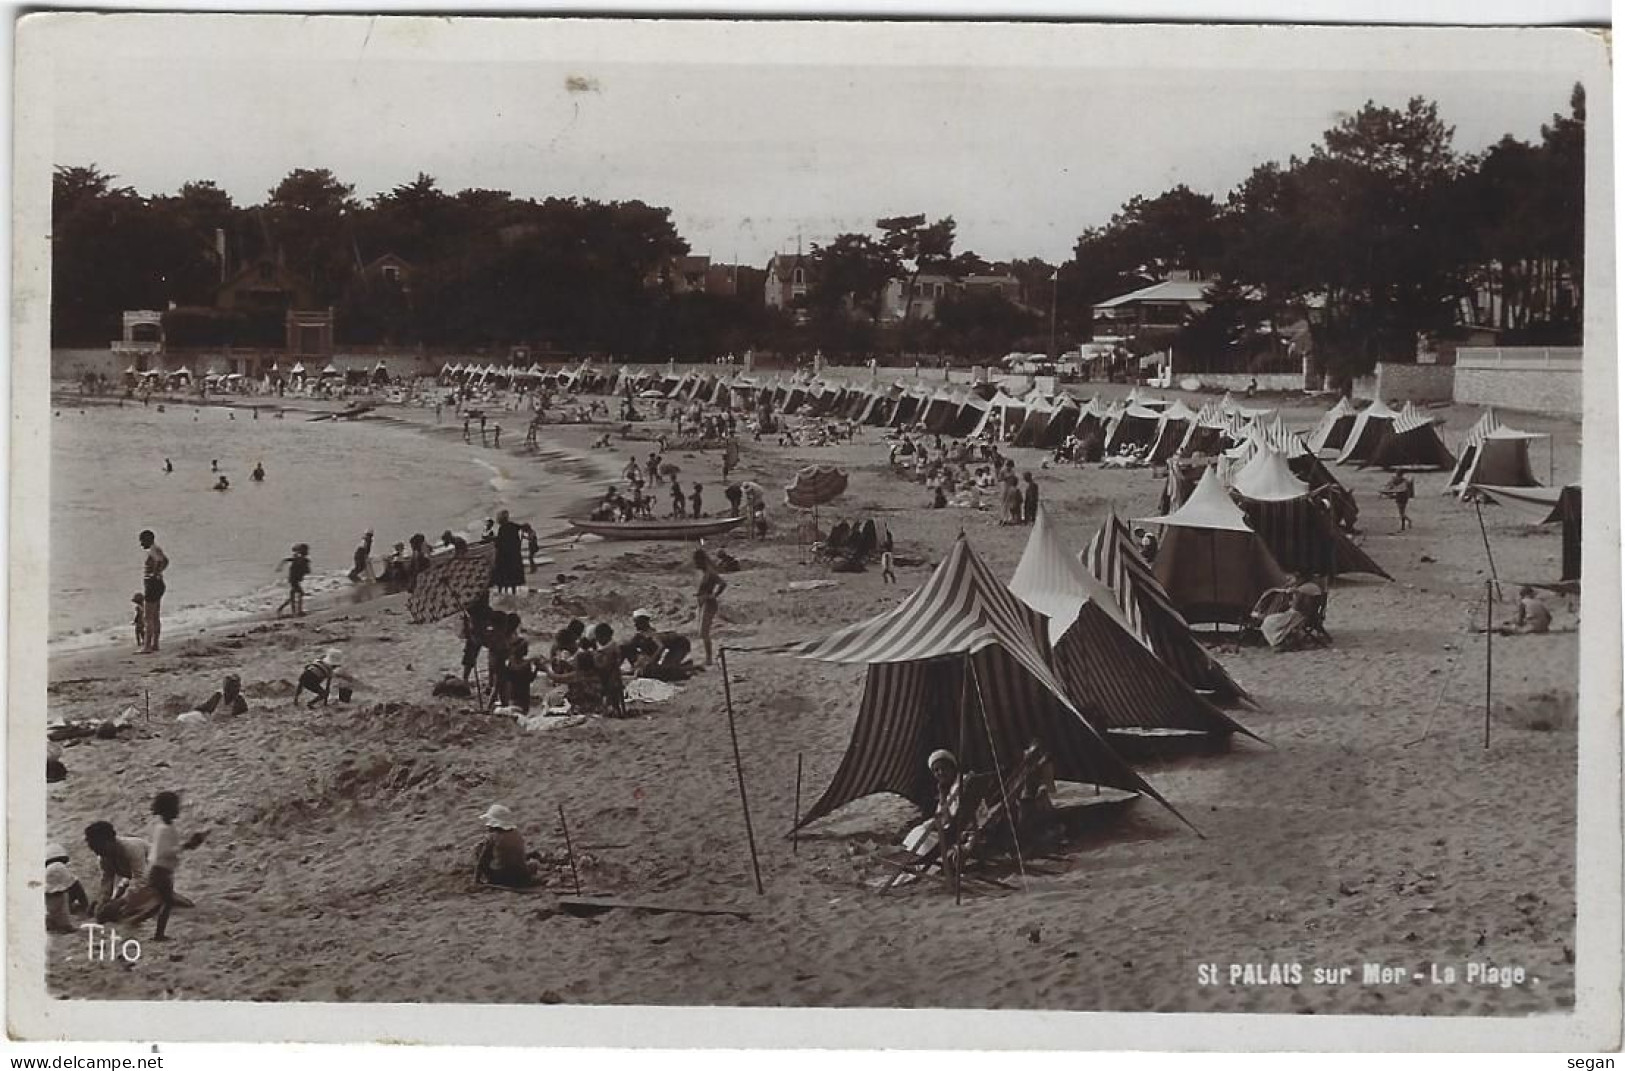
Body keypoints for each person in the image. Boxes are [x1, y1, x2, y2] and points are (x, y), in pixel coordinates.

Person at [146, 790, 206, 941]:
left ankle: (159, 933)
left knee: (165, 902)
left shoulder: (165, 827)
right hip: (161, 871)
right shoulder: (164, 830)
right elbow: (164, 852)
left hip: (162, 870)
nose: (178, 810)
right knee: (166, 903)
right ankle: (159, 934)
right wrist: (185, 846)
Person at [84, 820, 156, 924]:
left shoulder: (131, 848)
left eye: (100, 849)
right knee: (108, 908)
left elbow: (141, 878)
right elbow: (107, 879)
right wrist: (101, 900)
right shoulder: (103, 856)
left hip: (155, 872)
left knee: (132, 908)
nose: (98, 853)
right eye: (95, 850)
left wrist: (121, 901)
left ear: (110, 840)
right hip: (132, 877)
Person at [474, 804, 544, 889]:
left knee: (478, 849)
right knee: (533, 864)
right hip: (521, 875)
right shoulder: (516, 833)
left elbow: (483, 859)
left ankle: (488, 877)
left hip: (503, 878)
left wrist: (476, 880)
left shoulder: (493, 837)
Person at [628, 609, 693, 680]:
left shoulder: (651, 633)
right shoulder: (643, 634)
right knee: (665, 667)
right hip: (674, 646)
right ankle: (687, 664)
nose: (635, 625)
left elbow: (661, 647)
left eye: (637, 622)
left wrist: (651, 660)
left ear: (643, 622)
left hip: (680, 645)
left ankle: (689, 668)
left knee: (667, 668)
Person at [694, 548, 726, 666]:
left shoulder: (709, 573)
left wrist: (714, 595)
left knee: (704, 632)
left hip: (709, 603)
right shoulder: (704, 573)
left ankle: (709, 659)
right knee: (702, 632)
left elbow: (723, 583)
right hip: (703, 602)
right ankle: (708, 657)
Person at [138, 530, 168, 653]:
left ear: (148, 540)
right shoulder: (157, 549)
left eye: (142, 541)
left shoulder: (151, 550)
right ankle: (155, 644)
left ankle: (147, 646)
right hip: (159, 583)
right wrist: (160, 572)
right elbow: (165, 561)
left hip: (153, 584)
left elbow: (160, 561)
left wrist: (153, 574)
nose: (141, 544)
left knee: (148, 617)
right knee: (155, 616)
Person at [491, 509, 525, 593]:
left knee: (502, 574)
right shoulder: (513, 526)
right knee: (513, 574)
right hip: (514, 555)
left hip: (504, 556)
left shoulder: (502, 528)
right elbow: (522, 530)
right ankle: (513, 591)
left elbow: (499, 543)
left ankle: (501, 591)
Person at [277, 543, 311, 617]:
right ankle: (297, 611)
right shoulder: (301, 559)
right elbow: (306, 570)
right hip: (294, 579)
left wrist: (280, 567)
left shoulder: (299, 559)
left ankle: (288, 610)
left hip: (294, 579)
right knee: (299, 594)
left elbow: (286, 560)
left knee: (294, 594)